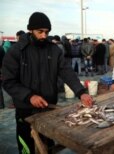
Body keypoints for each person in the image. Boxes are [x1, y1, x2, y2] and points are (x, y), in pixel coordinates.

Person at [2, 12, 93, 154]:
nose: (44, 36)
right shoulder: (16, 51)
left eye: (47, 32)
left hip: (49, 110)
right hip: (25, 111)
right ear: (30, 30)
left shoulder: (54, 49)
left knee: (47, 147)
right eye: (40, 32)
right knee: (28, 148)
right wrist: (29, 96)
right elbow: (8, 81)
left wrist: (81, 92)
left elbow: (67, 72)